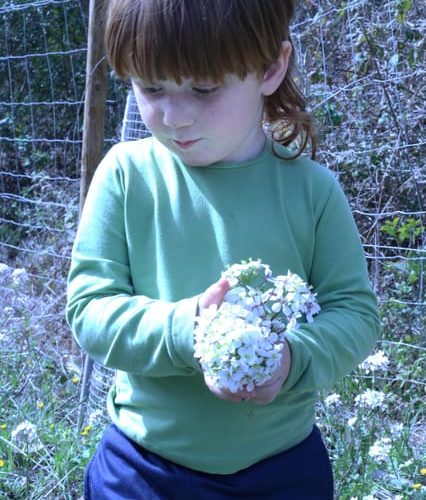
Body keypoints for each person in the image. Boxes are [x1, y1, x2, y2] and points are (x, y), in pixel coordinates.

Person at [66, 0, 381, 498]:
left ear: (271, 68)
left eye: (204, 89)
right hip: (144, 469)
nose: (175, 117)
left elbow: (356, 314)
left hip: (282, 470)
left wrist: (291, 360)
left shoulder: (313, 192)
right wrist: (186, 329)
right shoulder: (126, 176)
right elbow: (89, 309)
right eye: (152, 88)